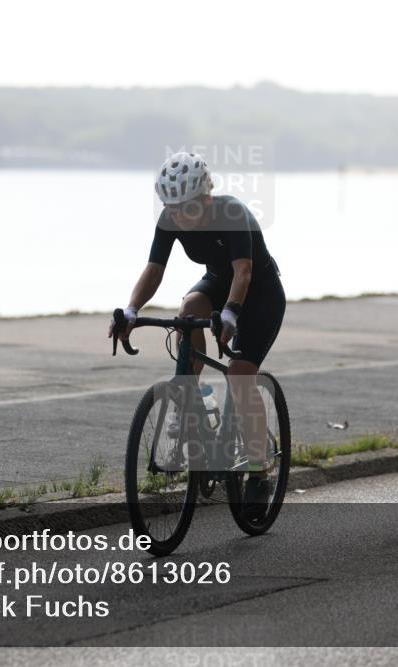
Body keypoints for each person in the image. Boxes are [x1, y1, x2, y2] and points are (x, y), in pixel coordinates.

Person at [108, 152, 286, 519]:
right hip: (220, 285)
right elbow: (154, 269)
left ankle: (258, 471)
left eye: (186, 208)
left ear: (206, 197)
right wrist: (131, 311)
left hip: (260, 294)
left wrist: (232, 314)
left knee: (240, 375)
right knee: (187, 311)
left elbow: (244, 272)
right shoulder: (170, 217)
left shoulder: (232, 213)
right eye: (171, 207)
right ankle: (189, 399)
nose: (178, 216)